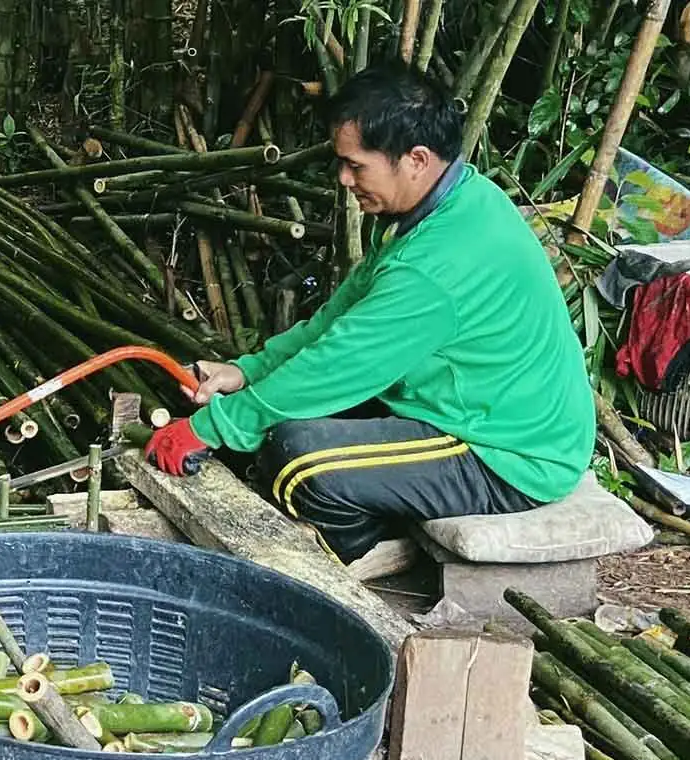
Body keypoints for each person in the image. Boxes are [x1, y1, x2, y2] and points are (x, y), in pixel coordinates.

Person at [144, 61, 595, 564]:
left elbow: (339, 363)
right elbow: (336, 325)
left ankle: (362, 556)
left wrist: (210, 430)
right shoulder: (445, 204)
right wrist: (246, 373)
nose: (343, 179)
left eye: (356, 166)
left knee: (297, 459)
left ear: (416, 159)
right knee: (282, 417)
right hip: (460, 408)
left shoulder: (437, 265)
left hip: (505, 453)